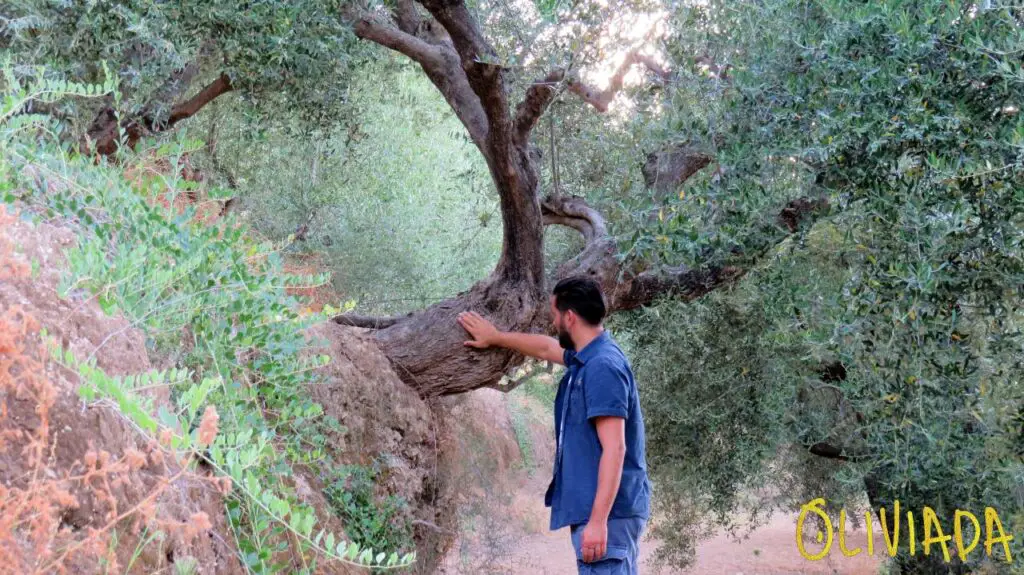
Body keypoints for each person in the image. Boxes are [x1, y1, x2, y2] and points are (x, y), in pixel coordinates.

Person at [457, 276, 652, 574]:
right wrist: (496, 337)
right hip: (604, 514)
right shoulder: (588, 358)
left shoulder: (602, 368)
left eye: (554, 314)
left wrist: (598, 521)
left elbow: (616, 447)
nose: (553, 320)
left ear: (570, 317)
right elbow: (547, 349)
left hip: (608, 517)